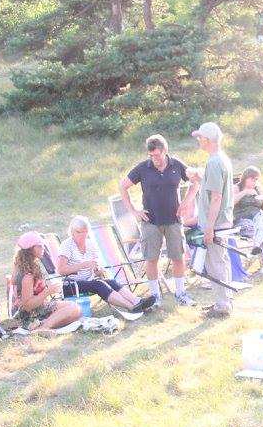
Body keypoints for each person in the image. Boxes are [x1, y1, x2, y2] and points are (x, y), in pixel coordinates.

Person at [118, 134, 198, 307]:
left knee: (178, 257)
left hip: (174, 219)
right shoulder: (142, 168)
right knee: (151, 259)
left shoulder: (177, 165)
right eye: (151, 155)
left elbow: (196, 181)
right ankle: (155, 296)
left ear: (165, 151)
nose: (154, 159)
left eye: (157, 155)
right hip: (150, 221)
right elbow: (123, 186)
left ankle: (180, 292)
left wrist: (187, 201)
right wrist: (133, 210)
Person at [55, 216, 155, 318]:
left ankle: (137, 301)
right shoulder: (67, 245)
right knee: (99, 284)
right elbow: (61, 270)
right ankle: (132, 307)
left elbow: (97, 266)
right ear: (72, 232)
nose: (83, 235)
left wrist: (98, 269)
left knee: (111, 282)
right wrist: (84, 265)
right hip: (71, 284)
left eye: (85, 232)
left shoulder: (90, 244)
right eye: (79, 232)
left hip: (88, 280)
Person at [195, 121, 235, 319]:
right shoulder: (221, 158)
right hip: (223, 219)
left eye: (200, 137)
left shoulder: (214, 162)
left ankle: (222, 306)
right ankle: (225, 300)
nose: (198, 140)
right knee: (221, 261)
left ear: (207, 140)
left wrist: (209, 227)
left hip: (216, 222)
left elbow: (216, 198)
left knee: (215, 263)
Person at [12, 232, 84, 333]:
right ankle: (42, 328)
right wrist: (48, 291)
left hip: (40, 307)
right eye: (40, 246)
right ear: (30, 249)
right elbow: (27, 306)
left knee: (77, 310)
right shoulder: (27, 275)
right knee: (74, 309)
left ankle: (42, 324)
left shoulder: (28, 265)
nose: (43, 248)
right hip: (30, 314)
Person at [232, 167, 263, 273]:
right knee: (262, 226)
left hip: (257, 217)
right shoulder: (236, 188)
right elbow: (230, 203)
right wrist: (245, 192)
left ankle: (256, 248)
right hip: (242, 220)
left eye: (256, 179)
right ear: (245, 178)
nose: (254, 182)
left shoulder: (257, 188)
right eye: (252, 179)